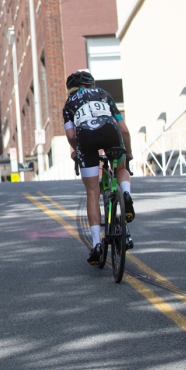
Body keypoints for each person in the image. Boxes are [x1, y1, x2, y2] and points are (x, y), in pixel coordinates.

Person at [62, 71, 135, 265]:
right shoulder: (104, 94)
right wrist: (128, 154)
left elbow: (71, 136)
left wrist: (77, 151)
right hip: (111, 131)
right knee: (120, 169)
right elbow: (124, 129)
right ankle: (126, 194)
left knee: (93, 192)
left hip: (85, 138)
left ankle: (96, 244)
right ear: (91, 83)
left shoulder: (69, 104)